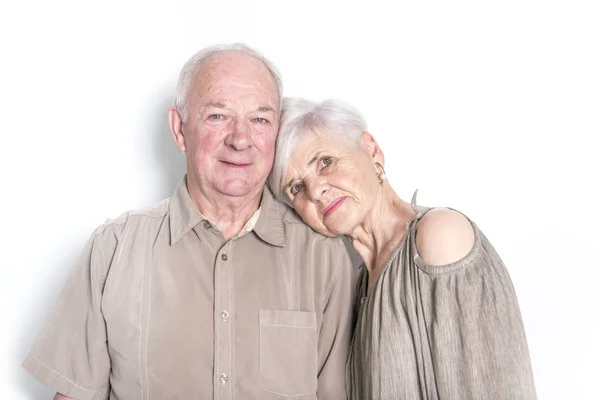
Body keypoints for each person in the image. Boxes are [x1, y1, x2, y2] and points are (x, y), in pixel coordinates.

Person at [23, 45, 355, 400]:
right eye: (217, 116)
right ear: (180, 129)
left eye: (260, 119)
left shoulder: (324, 258)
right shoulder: (113, 250)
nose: (240, 139)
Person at [269, 97, 538, 399]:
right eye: (297, 188)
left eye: (325, 162)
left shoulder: (438, 238)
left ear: (371, 149)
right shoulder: (355, 285)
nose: (316, 190)